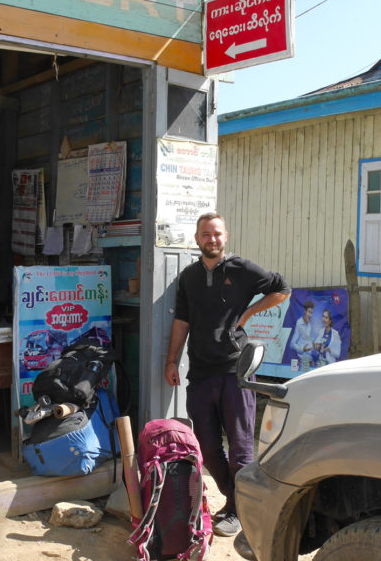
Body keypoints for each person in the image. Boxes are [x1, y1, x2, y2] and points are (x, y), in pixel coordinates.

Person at [165, 212, 290, 537]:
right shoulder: (189, 277)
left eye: (217, 234)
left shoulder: (242, 269)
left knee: (240, 447)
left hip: (236, 371)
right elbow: (182, 322)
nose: (212, 239)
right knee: (207, 447)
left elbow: (282, 289)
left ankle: (239, 510)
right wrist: (171, 361)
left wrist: (247, 314)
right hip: (201, 374)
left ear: (226, 236)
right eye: (206, 234)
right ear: (197, 239)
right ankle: (236, 501)